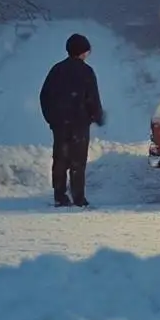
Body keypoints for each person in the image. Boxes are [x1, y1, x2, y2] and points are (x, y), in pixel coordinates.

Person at [38, 32, 105, 207]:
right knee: (78, 162)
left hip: (60, 124)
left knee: (60, 159)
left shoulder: (57, 70)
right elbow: (92, 98)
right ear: (83, 51)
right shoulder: (86, 72)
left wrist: (51, 119)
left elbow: (44, 96)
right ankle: (78, 197)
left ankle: (59, 196)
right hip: (80, 125)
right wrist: (97, 116)